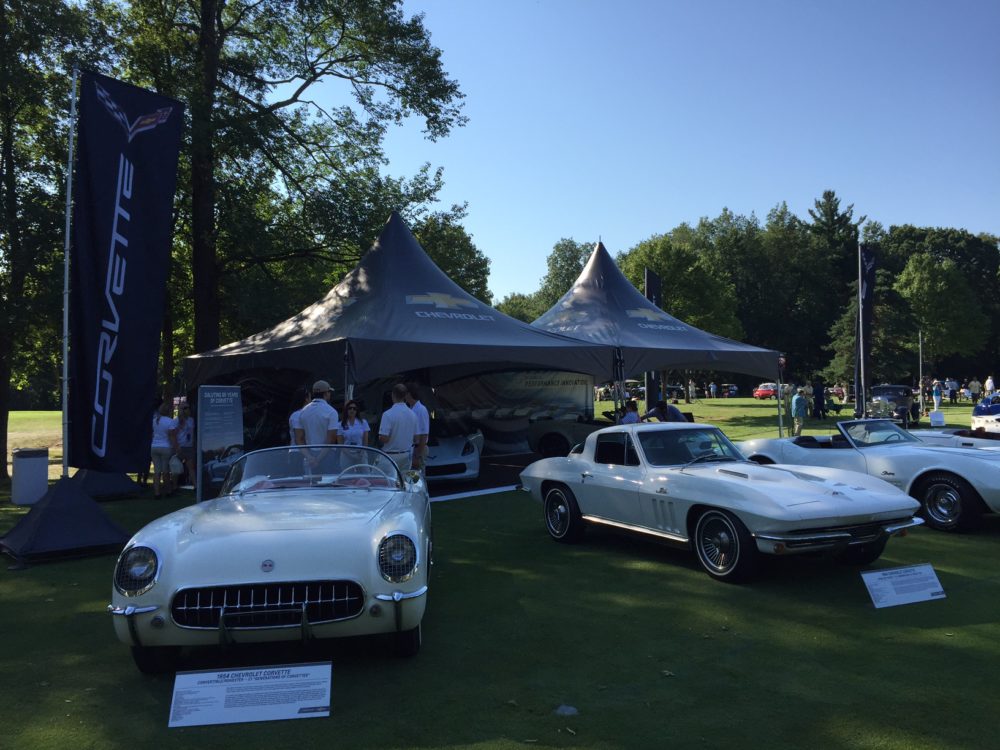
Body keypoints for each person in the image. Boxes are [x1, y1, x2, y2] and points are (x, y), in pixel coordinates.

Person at [295, 380, 340, 471]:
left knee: (312, 483)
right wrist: (318, 459)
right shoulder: (331, 412)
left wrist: (310, 458)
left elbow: (299, 439)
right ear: (326, 393)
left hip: (309, 455)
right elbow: (331, 440)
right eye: (329, 392)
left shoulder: (302, 412)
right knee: (329, 483)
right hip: (328, 456)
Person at [379, 383, 418, 473]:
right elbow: (416, 438)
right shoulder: (413, 414)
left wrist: (380, 437)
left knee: (388, 484)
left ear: (393, 395)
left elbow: (384, 438)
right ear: (405, 396)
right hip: (406, 455)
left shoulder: (387, 414)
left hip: (390, 457)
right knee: (403, 483)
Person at [150, 401, 179, 498]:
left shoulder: (154, 420)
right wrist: (176, 448)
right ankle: (168, 491)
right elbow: (172, 436)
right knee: (166, 471)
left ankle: (156, 493)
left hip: (154, 446)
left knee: (157, 471)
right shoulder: (170, 422)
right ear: (169, 411)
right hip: (166, 447)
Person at [404, 382, 430, 472]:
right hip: (411, 449)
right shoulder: (411, 409)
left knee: (419, 478)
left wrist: (417, 455)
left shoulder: (421, 410)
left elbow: (424, 434)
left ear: (409, 394)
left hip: (418, 448)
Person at [338, 400, 370, 467]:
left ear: (357, 411)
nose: (352, 410)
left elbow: (365, 441)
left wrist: (361, 454)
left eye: (354, 409)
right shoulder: (340, 424)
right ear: (346, 410)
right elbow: (340, 444)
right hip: (346, 455)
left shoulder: (363, 423)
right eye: (350, 408)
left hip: (361, 454)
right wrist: (350, 456)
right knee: (346, 476)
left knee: (365, 476)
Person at [175, 403, 196, 489]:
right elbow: (173, 434)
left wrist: (194, 443)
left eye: (187, 408)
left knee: (191, 467)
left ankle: (195, 486)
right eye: (184, 408)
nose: (187, 410)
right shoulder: (176, 421)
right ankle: (174, 486)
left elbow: (192, 432)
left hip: (189, 446)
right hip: (180, 446)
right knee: (176, 467)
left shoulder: (191, 420)